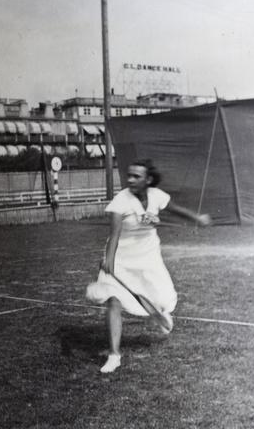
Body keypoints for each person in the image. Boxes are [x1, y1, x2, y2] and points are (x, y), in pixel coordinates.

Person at [86, 159, 211, 374]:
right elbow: (114, 236)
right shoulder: (119, 202)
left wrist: (197, 218)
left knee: (161, 299)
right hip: (122, 257)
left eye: (137, 176)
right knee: (113, 300)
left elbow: (176, 209)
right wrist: (109, 260)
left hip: (148, 255)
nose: (131, 180)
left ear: (148, 180)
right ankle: (114, 355)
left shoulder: (156, 195)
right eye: (129, 176)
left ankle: (159, 313)